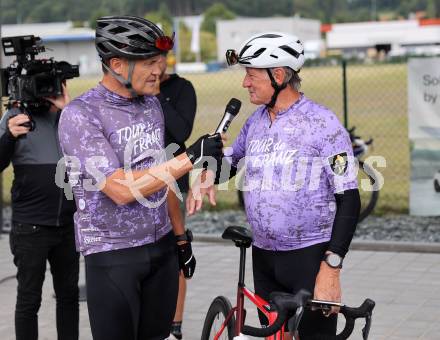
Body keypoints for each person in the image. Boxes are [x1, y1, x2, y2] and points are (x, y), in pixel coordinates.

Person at [58, 15, 223, 340]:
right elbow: (119, 189)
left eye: (160, 61)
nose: (159, 70)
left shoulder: (151, 105)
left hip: (160, 249)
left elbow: (161, 176)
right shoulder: (80, 115)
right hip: (112, 256)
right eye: (149, 62)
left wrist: (180, 239)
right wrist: (190, 157)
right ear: (117, 64)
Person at [187, 32, 361, 338]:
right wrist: (209, 173)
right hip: (264, 257)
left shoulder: (323, 123)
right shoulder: (256, 121)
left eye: (251, 75)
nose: (245, 83)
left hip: (309, 256)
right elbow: (234, 161)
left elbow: (349, 199)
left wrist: (332, 267)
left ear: (278, 75)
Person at [0, 88, 79, 340]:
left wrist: (67, 109)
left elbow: (90, 150)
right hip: (30, 228)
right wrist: (9, 136)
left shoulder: (69, 117)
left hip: (67, 225)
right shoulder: (15, 116)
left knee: (68, 297)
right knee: (28, 299)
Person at [154, 54, 197, 340]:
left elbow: (181, 132)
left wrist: (157, 93)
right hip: (137, 178)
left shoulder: (181, 88)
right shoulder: (131, 89)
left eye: (160, 59)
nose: (156, 66)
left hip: (174, 177)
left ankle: (175, 327)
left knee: (176, 248)